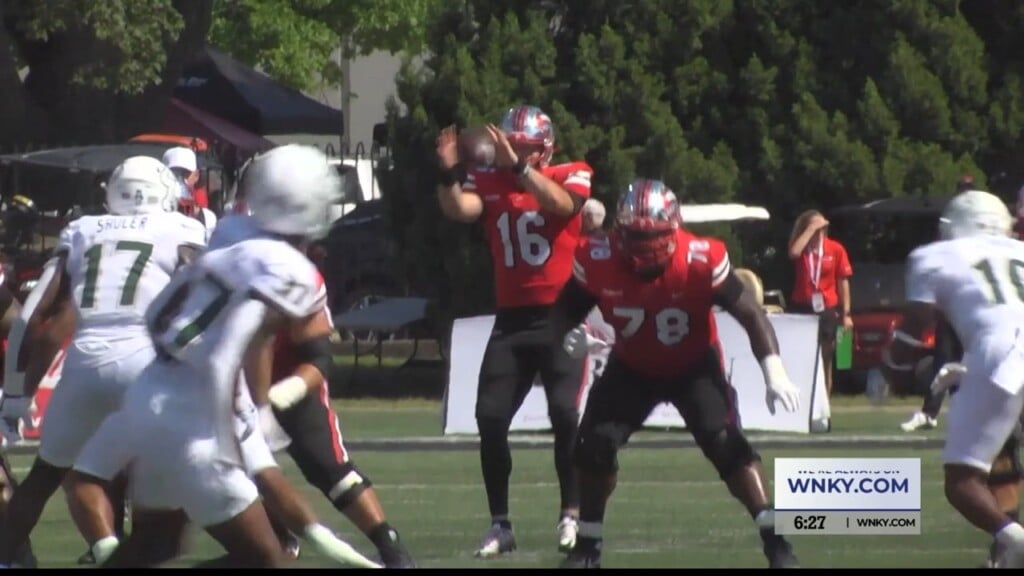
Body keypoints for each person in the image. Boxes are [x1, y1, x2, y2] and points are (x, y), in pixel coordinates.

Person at [57, 144, 344, 567]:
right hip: (199, 422)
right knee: (268, 559)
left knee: (155, 545)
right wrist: (255, 414)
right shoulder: (293, 271)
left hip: (153, 392)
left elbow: (160, 314)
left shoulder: (227, 231)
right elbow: (241, 345)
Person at [552, 178, 802, 569]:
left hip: (693, 365)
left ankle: (776, 540)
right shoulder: (597, 255)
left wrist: (775, 371)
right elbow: (566, 308)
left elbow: (751, 314)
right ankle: (588, 546)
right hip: (632, 365)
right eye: (635, 233)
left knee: (726, 444)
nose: (645, 244)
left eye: (652, 235)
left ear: (674, 229)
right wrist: (574, 332)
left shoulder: (702, 257)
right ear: (620, 230)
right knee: (593, 446)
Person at [0, 156, 208, 567]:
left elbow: (31, 316)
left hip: (85, 360)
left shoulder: (83, 229)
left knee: (44, 477)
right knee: (171, 480)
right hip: (146, 359)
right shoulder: (182, 228)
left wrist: (13, 397)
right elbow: (202, 300)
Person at [215, 199, 417, 568]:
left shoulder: (298, 279)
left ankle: (390, 546)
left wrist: (285, 392)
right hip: (233, 390)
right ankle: (276, 540)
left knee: (333, 471)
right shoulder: (211, 281)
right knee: (234, 479)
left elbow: (320, 358)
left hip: (290, 384)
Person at [435, 105, 594, 557]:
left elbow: (562, 205)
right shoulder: (489, 181)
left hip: (563, 315)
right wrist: (449, 172)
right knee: (489, 418)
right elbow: (459, 209)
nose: (513, 153)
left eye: (523, 147)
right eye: (511, 145)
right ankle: (500, 524)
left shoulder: (573, 172)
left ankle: (572, 513)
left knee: (565, 414)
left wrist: (520, 168)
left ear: (545, 148)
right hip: (511, 321)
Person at [883, 189, 1024, 568]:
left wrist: (892, 366)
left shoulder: (936, 255)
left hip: (1003, 353)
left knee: (963, 479)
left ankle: (1016, 546)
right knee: (1001, 458)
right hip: (1003, 353)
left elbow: (917, 324)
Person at [787, 209, 853, 398]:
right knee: (802, 355)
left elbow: (843, 281)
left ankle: (825, 399)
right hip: (802, 306)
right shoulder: (802, 248)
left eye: (822, 227)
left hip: (827, 307)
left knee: (826, 356)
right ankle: (803, 397)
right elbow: (793, 253)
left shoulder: (835, 249)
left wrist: (846, 313)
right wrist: (808, 231)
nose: (819, 231)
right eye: (815, 227)